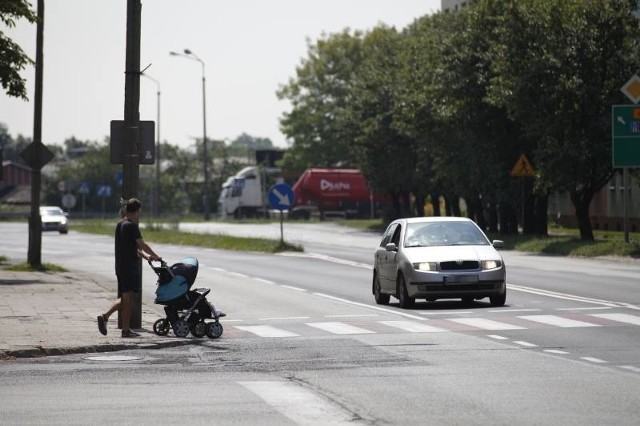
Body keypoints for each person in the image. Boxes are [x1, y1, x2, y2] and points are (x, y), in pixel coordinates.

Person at [97, 198, 162, 338]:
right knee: (128, 298)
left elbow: (133, 248)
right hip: (129, 267)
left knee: (126, 298)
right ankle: (122, 328)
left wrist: (146, 257)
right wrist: (157, 256)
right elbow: (142, 244)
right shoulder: (132, 226)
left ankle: (109, 319)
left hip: (120, 266)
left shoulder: (120, 224)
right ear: (138, 211)